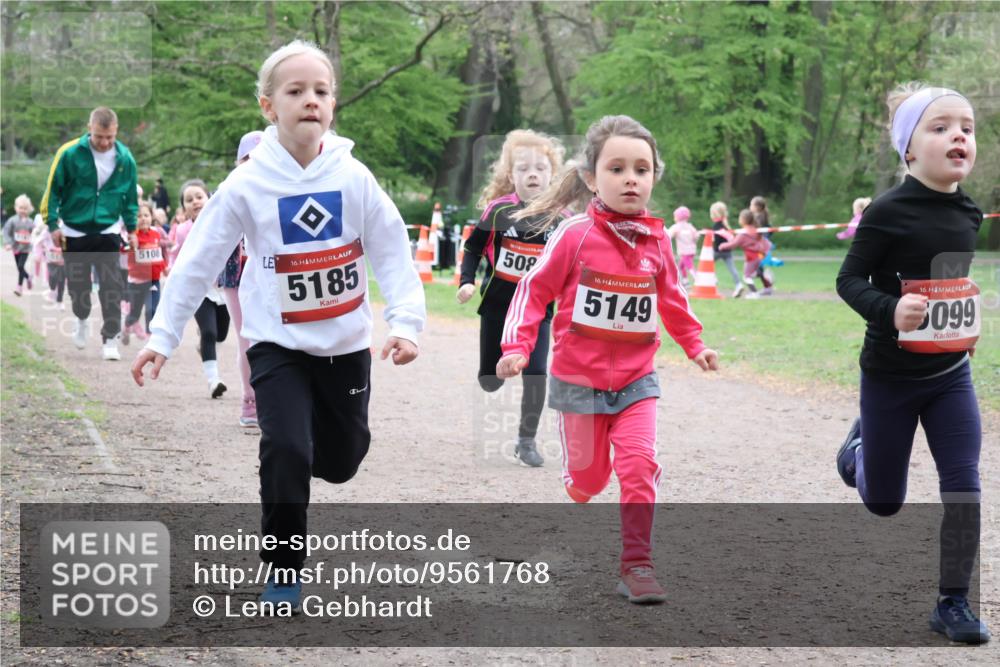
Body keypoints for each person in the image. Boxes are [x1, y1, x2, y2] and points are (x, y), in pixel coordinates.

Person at [131, 40, 425, 613]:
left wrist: (407, 323)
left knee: (340, 462)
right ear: (269, 106)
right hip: (275, 345)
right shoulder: (246, 184)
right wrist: (162, 337)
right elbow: (197, 262)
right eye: (295, 91)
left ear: (333, 105)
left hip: (344, 345)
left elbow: (392, 250)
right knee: (286, 447)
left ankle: (309, 450)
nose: (309, 100)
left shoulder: (354, 177)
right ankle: (284, 567)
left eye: (320, 91)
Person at [497, 115, 719, 604]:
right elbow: (534, 293)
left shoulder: (658, 240)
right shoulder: (574, 236)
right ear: (592, 178)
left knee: (639, 466)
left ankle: (637, 565)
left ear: (654, 177)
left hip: (638, 381)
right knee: (590, 479)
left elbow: (674, 302)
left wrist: (695, 344)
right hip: (578, 383)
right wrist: (515, 348)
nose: (631, 178)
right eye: (617, 168)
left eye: (642, 169)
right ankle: (580, 475)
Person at [835, 83, 989, 644]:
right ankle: (857, 452)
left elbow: (948, 284)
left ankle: (953, 604)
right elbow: (847, 279)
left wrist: (959, 316)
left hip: (950, 377)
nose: (959, 137)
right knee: (883, 502)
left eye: (967, 129)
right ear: (909, 149)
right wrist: (891, 308)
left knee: (964, 485)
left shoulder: (970, 211)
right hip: (890, 378)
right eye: (942, 127)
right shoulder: (886, 211)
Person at [456, 129, 565, 467]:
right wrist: (467, 281)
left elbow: (571, 267)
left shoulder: (560, 220)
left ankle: (526, 441)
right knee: (489, 381)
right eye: (523, 168)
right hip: (497, 306)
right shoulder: (498, 212)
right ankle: (495, 371)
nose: (532, 174)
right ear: (510, 175)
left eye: (540, 168)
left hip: (537, 311)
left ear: (552, 175)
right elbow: (473, 249)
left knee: (536, 372)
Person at [39, 106, 138, 361]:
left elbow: (129, 200)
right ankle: (81, 317)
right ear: (89, 130)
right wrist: (52, 225)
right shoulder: (70, 154)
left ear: (115, 132)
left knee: (111, 286)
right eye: (99, 137)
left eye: (109, 138)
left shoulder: (124, 158)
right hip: (74, 230)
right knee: (79, 288)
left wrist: (133, 229)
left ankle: (110, 338)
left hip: (108, 229)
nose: (104, 143)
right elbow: (53, 190)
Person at [167, 179, 231, 398]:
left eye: (199, 197)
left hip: (223, 287)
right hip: (200, 288)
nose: (195, 202)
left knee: (221, 334)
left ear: (209, 198)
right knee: (209, 332)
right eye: (189, 199)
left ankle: (204, 346)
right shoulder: (183, 231)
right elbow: (176, 256)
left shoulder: (224, 222)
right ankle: (214, 380)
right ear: (183, 207)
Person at [224, 130, 266, 427]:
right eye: (248, 159)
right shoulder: (230, 191)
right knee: (247, 341)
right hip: (236, 275)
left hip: (270, 274)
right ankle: (249, 400)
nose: (254, 164)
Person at [121, 203, 167, 345]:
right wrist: (132, 246)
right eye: (138, 216)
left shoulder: (156, 234)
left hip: (153, 280)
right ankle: (127, 326)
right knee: (134, 313)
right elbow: (123, 250)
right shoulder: (132, 235)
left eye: (146, 215)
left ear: (151, 217)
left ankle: (150, 339)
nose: (143, 219)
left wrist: (165, 269)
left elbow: (158, 255)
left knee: (152, 309)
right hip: (136, 281)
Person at [718, 209, 772, 298]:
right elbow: (765, 242)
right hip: (760, 255)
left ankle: (754, 293)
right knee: (755, 272)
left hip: (751, 257)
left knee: (746, 276)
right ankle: (766, 281)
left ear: (743, 220)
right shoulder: (756, 230)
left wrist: (723, 246)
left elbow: (734, 244)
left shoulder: (743, 233)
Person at [2, 194, 36, 296]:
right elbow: (6, 232)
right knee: (19, 268)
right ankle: (28, 277)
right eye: (21, 208)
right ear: (16, 208)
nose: (23, 210)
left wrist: (36, 235)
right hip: (15, 247)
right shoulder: (12, 220)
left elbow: (35, 233)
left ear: (29, 209)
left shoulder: (30, 222)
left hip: (25, 248)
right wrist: (8, 243)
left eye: (25, 208)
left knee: (21, 266)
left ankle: (19, 287)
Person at [709, 201, 742, 296]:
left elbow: (715, 239)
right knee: (732, 269)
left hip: (717, 251)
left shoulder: (716, 226)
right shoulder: (725, 225)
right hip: (728, 252)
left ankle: (713, 279)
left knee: (707, 264)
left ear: (714, 214)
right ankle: (738, 284)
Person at [667, 205, 698, 287]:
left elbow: (668, 234)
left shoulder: (676, 227)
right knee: (681, 266)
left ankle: (697, 279)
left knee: (689, 266)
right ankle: (685, 281)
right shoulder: (690, 226)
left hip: (684, 251)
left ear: (677, 217)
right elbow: (696, 236)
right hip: (692, 250)